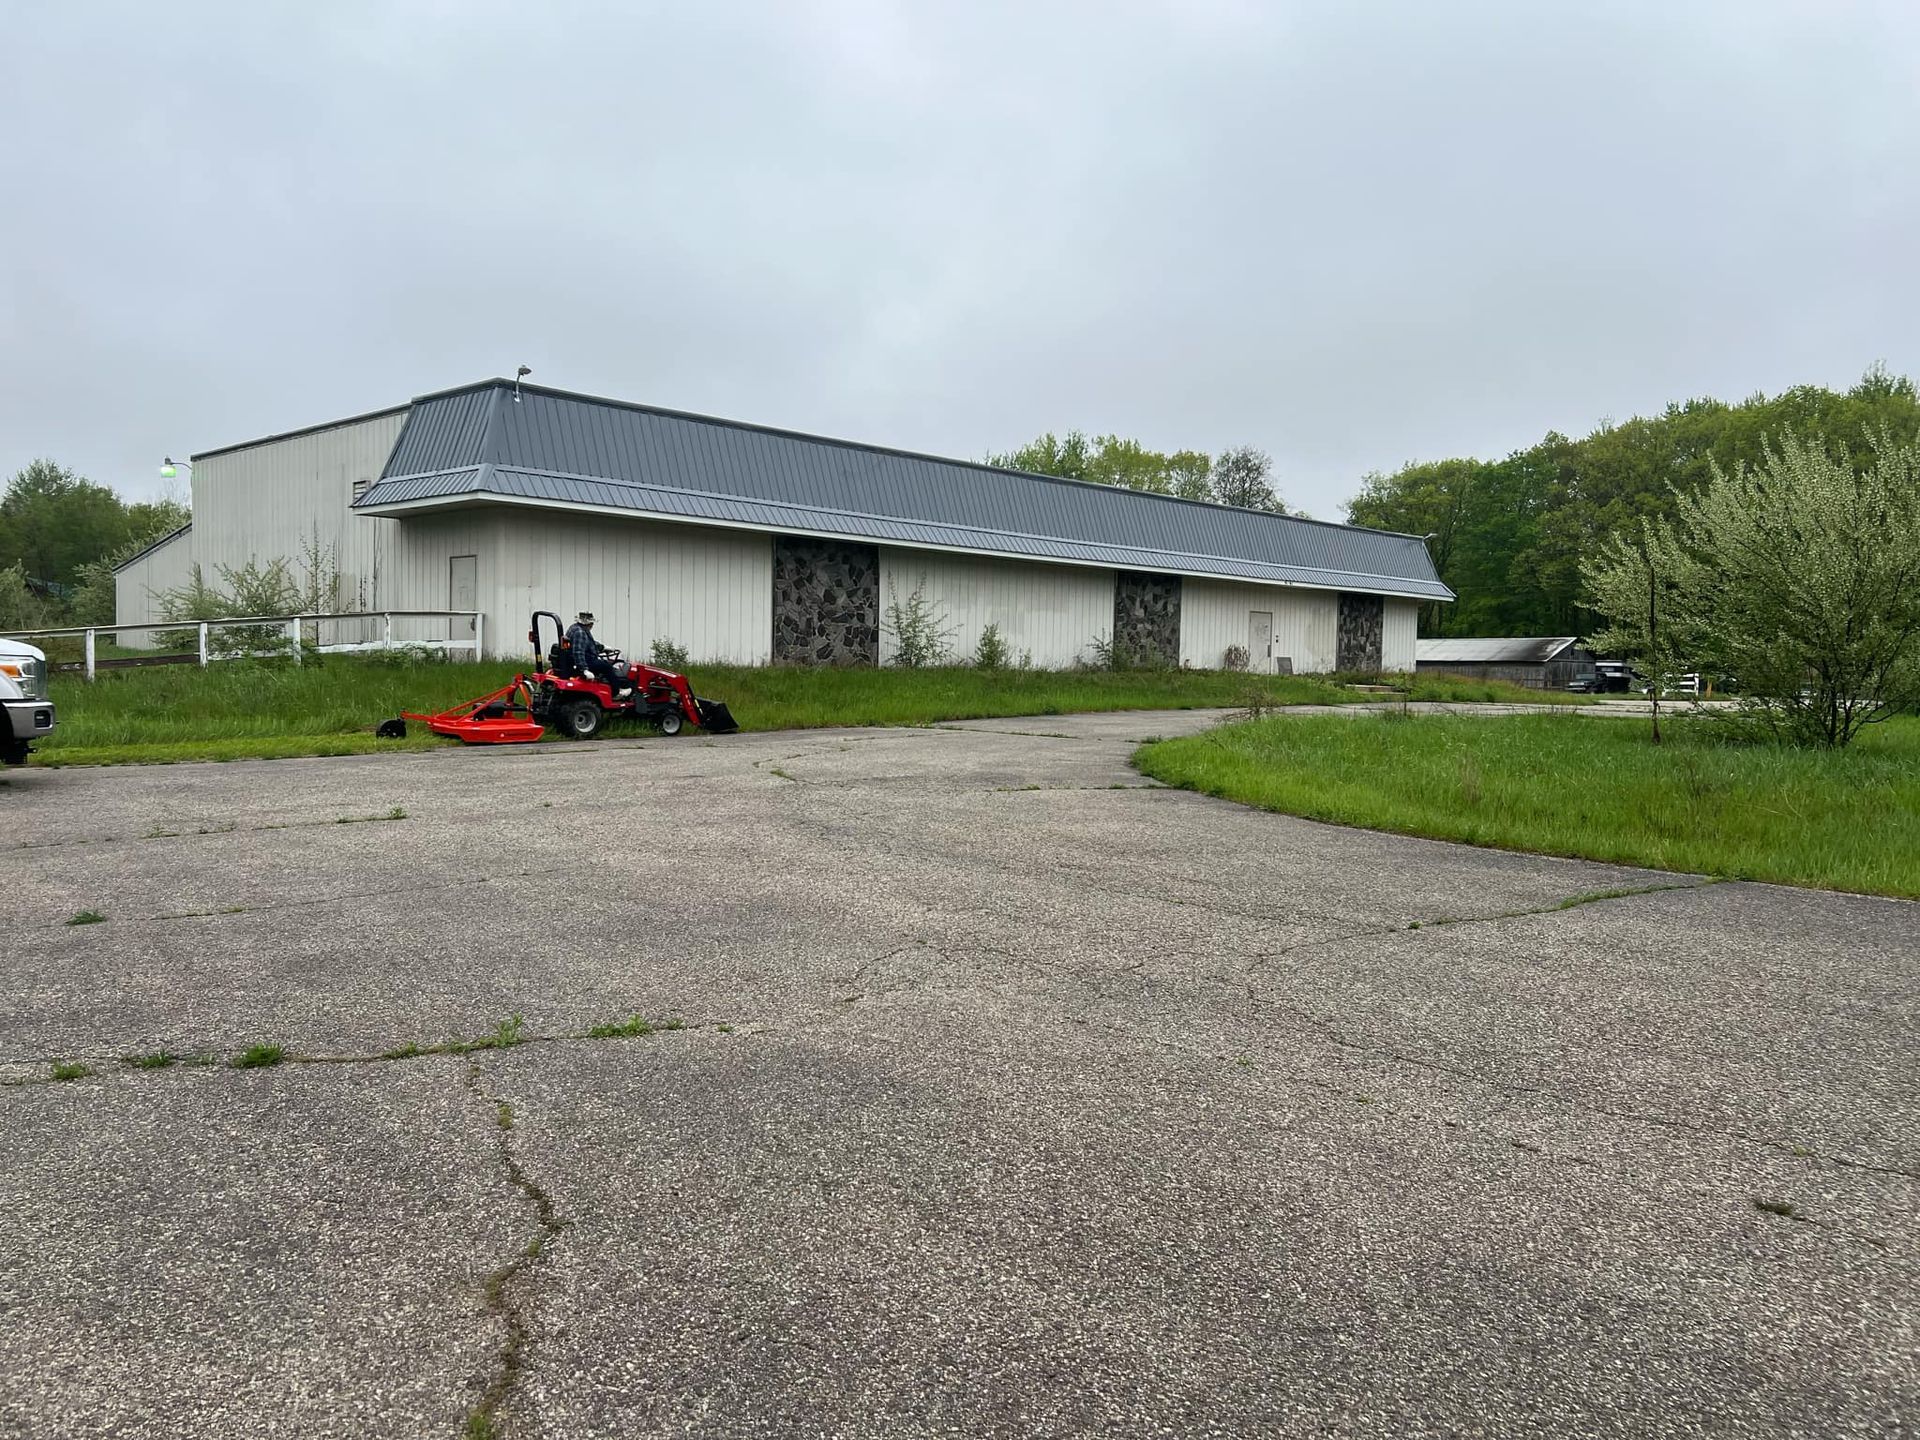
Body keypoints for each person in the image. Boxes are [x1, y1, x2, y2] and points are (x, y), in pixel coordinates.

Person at [564, 612, 631, 696]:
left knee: (604, 663)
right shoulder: (580, 633)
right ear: (589, 623)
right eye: (592, 623)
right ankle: (616, 692)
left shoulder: (575, 627)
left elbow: (588, 643)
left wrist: (603, 647)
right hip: (584, 661)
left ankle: (608, 685)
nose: (592, 625)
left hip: (579, 659)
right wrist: (584, 669)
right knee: (607, 667)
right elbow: (578, 652)